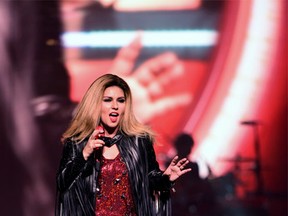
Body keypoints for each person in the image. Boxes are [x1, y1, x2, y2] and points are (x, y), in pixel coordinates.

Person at [55, 74, 191, 216]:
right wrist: (84, 154)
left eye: (121, 101)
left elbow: (149, 179)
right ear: (95, 104)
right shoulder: (78, 142)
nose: (115, 106)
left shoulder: (140, 141)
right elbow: (62, 183)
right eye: (107, 100)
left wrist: (165, 179)